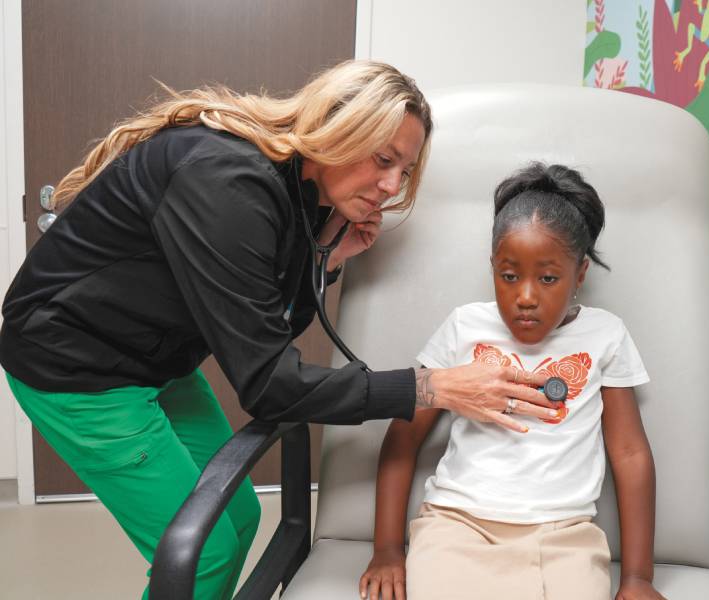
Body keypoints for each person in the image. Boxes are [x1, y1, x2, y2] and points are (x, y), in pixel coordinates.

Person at [0, 60, 557, 600]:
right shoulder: (227, 181)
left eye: (404, 171)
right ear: (339, 128)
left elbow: (277, 325)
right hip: (76, 366)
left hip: (155, 357)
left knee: (239, 517)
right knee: (205, 552)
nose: (391, 185)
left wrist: (328, 256)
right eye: (384, 159)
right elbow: (270, 383)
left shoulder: (303, 190)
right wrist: (428, 387)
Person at [359, 163, 666, 600]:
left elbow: (631, 453)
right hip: (456, 526)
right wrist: (387, 549)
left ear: (579, 275)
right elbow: (404, 434)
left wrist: (638, 578)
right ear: (492, 268)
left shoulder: (606, 336)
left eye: (547, 278)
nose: (525, 296)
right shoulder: (464, 327)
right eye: (509, 276)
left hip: (564, 539)